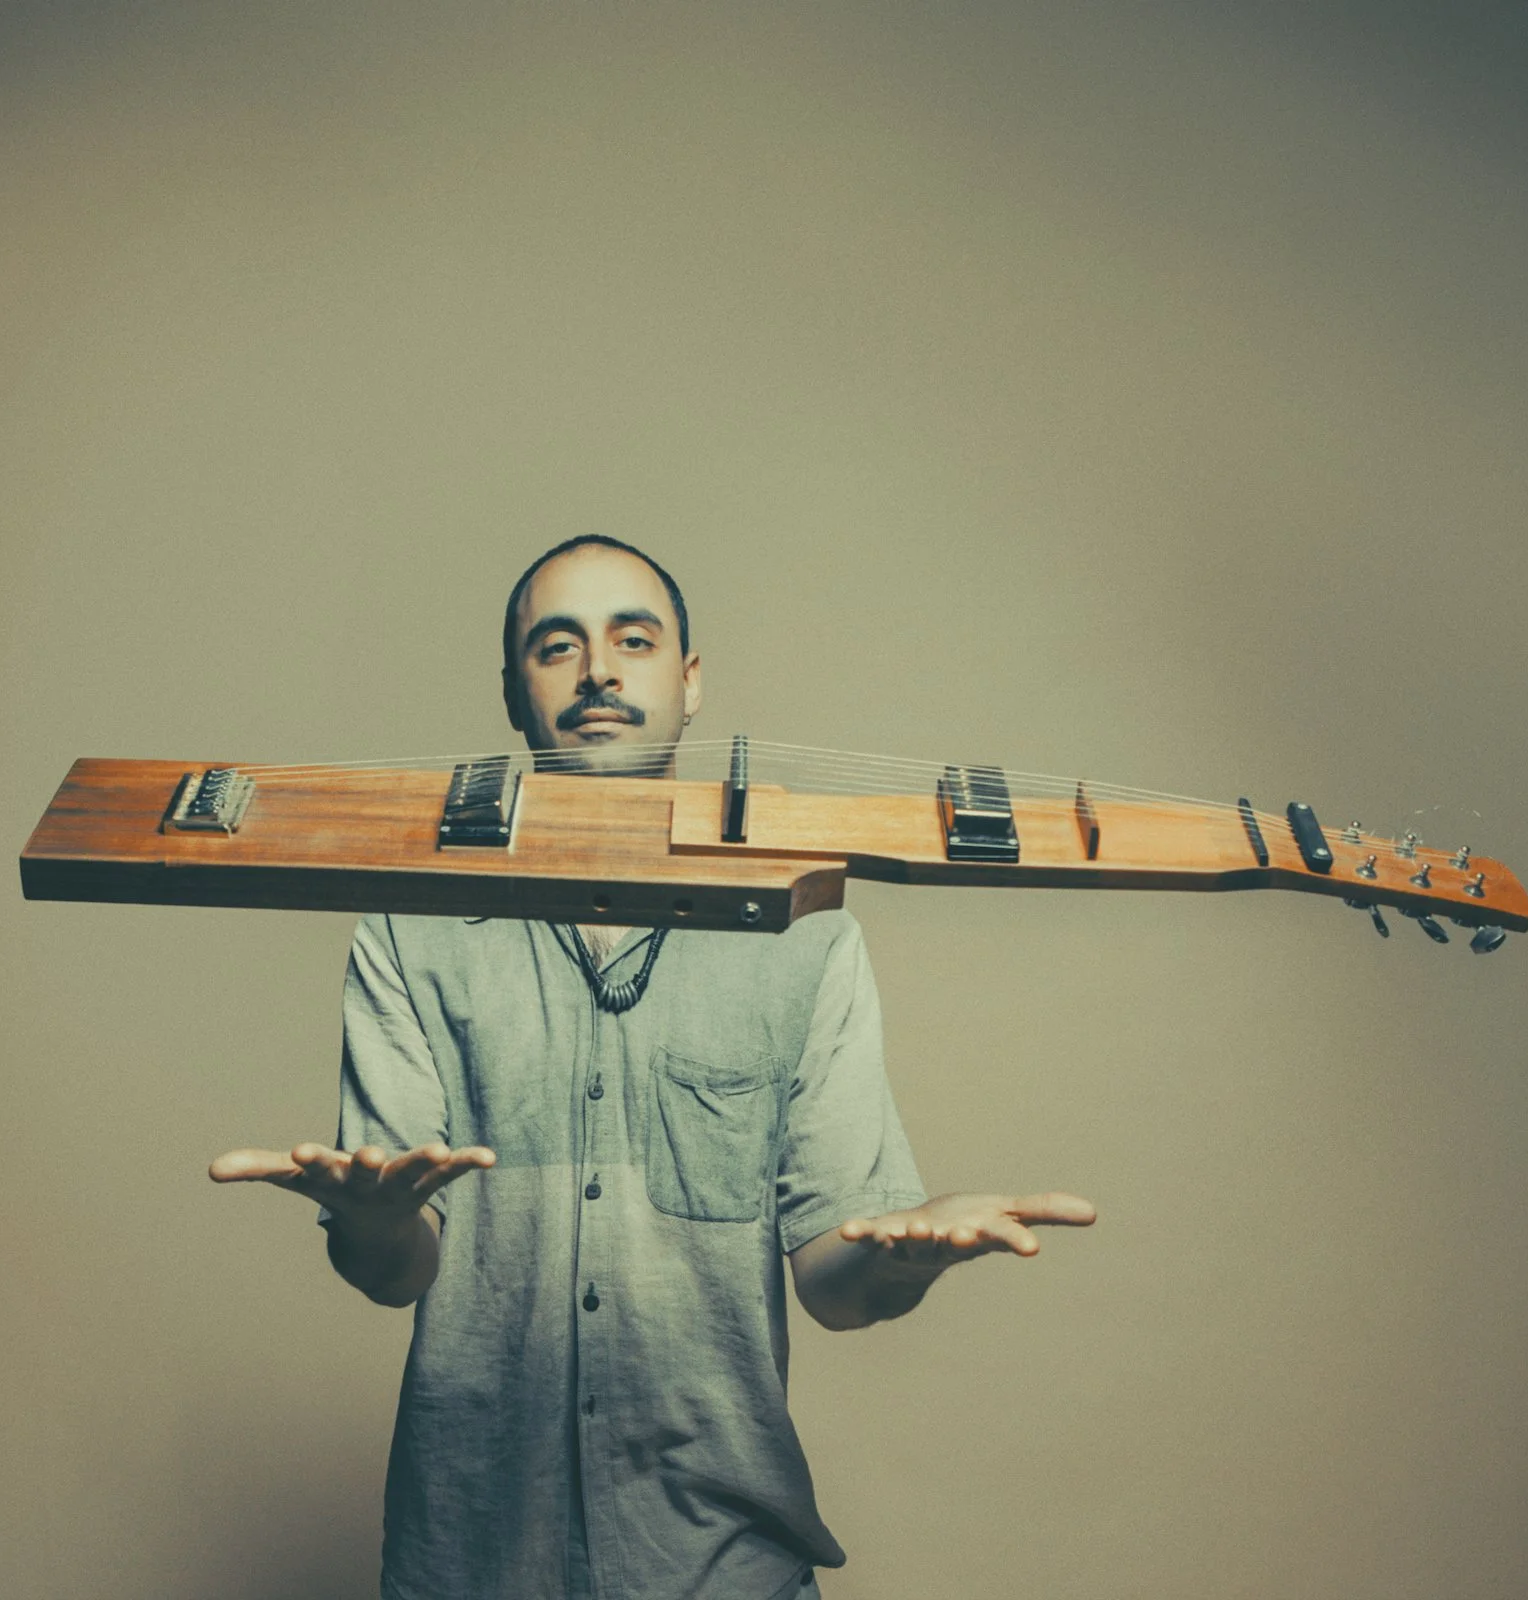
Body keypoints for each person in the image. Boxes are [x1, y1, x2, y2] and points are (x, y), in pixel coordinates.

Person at [210, 536, 1095, 1600]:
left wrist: (905, 1260)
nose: (597, 670)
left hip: (722, 1567)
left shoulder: (807, 939)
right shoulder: (410, 929)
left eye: (633, 639)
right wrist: (372, 1221)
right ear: (513, 691)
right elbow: (396, 1273)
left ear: (688, 681)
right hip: (472, 1561)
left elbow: (836, 1285)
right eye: (557, 646)